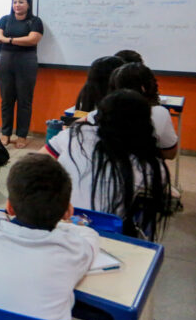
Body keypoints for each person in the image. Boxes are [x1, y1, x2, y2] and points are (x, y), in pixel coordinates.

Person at [0, 154, 112, 320]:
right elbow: (90, 235)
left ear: (9, 206)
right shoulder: (73, 249)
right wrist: (65, 222)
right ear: (68, 212)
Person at [41, 89, 172, 240]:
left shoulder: (75, 134)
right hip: (107, 235)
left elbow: (38, 161)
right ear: (145, 123)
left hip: (58, 223)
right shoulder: (148, 163)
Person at [0, 0, 44, 148]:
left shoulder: (35, 21)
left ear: (28, 4)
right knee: (6, 100)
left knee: (24, 101)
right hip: (6, 62)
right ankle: (6, 133)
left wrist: (9, 40)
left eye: (21, 2)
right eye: (15, 2)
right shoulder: (5, 20)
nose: (17, 5)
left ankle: (21, 135)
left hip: (26, 62)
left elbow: (33, 39)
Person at [107, 62, 178, 159]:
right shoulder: (159, 113)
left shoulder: (102, 112)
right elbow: (170, 153)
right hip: (146, 169)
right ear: (145, 87)